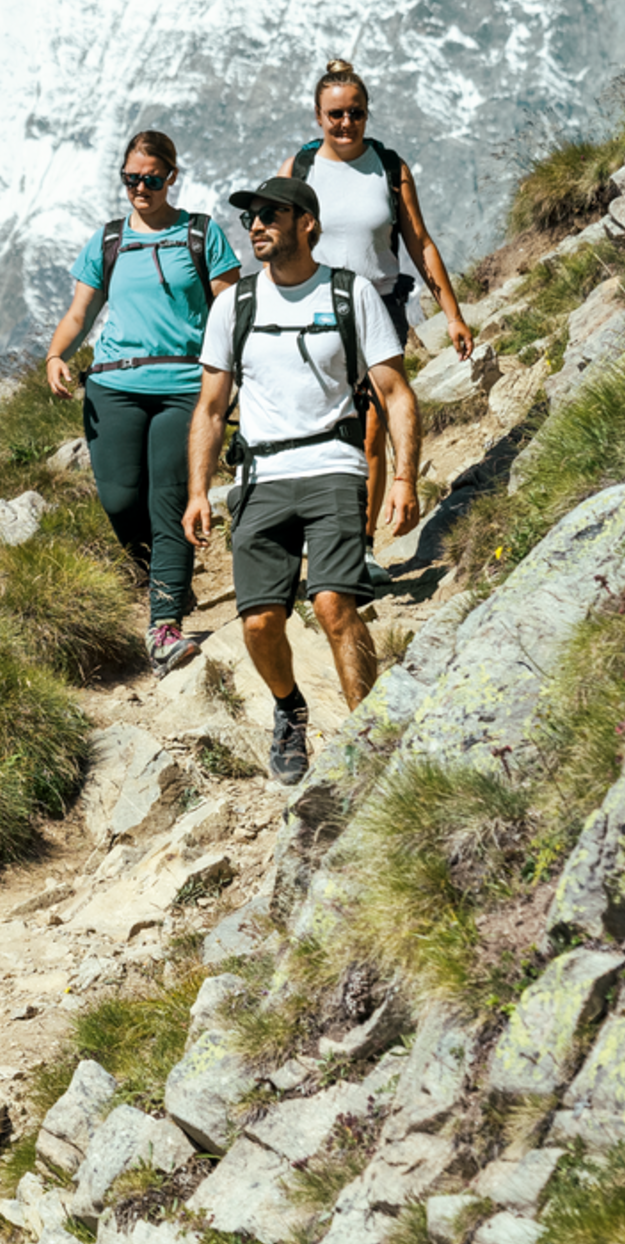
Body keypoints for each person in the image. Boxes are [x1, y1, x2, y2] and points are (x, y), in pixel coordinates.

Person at [179, 173, 420, 785]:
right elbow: (210, 407)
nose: (256, 225)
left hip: (333, 467)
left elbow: (394, 392)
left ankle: (371, 738)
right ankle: (289, 709)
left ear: (306, 223)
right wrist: (197, 491)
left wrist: (403, 479)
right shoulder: (234, 305)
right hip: (260, 476)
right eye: (251, 216)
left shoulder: (350, 293)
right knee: (260, 622)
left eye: (271, 214)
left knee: (334, 602)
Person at [42, 129, 234, 668]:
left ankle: (165, 623)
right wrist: (57, 355)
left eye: (150, 179)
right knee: (120, 500)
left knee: (168, 501)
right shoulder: (108, 240)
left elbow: (231, 306)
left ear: (171, 177)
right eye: (130, 179)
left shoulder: (201, 234)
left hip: (183, 389)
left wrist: (233, 369)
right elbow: (80, 313)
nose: (140, 189)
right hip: (112, 385)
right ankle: (162, 580)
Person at [284, 58, 472, 530]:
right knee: (322, 428)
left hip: (379, 309)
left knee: (369, 433)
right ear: (318, 116)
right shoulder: (299, 169)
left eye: (356, 113)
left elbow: (420, 242)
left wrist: (452, 314)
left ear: (367, 114)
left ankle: (361, 546)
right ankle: (324, 530)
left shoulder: (389, 168)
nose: (346, 123)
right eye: (336, 115)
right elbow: (280, 242)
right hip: (314, 310)